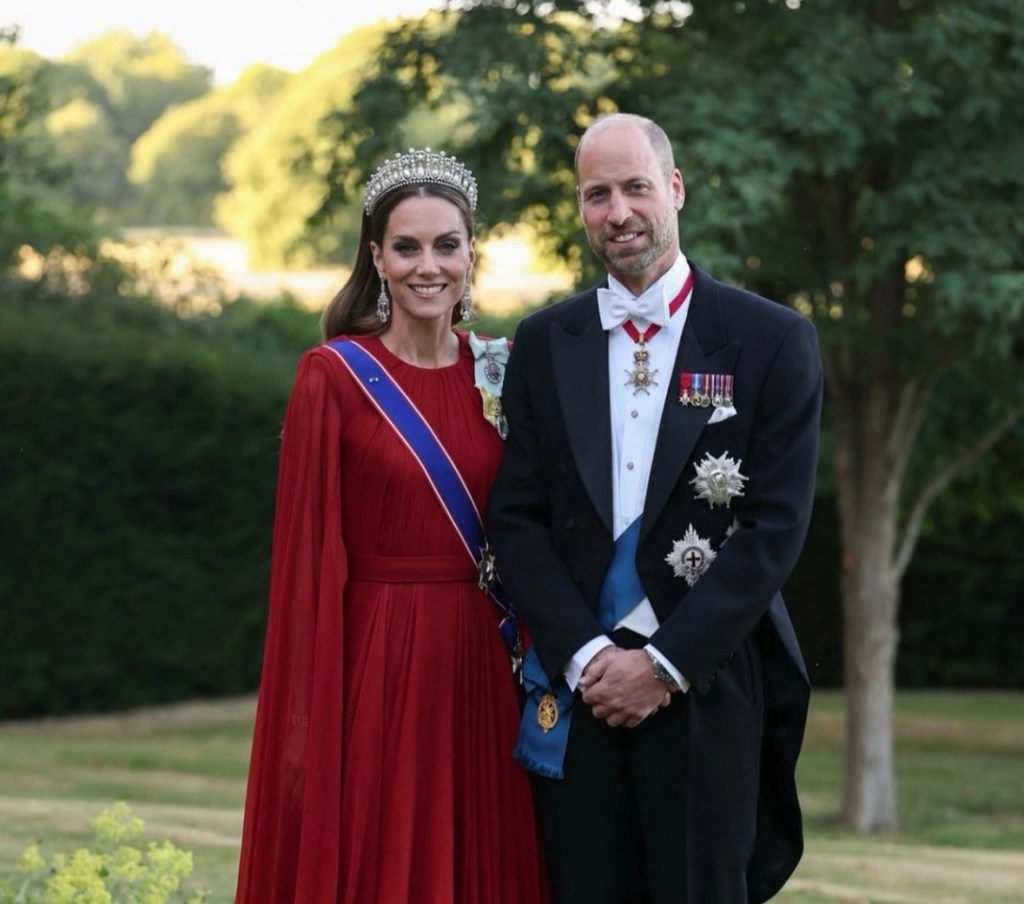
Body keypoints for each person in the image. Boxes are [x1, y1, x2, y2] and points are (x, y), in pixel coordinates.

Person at [488, 112, 822, 904]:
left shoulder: (771, 339)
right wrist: (585, 658)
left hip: (703, 681)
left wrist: (663, 665)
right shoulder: (543, 341)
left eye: (635, 187)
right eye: (596, 194)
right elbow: (517, 519)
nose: (618, 212)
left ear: (674, 188)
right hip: (579, 686)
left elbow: (775, 529)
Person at [234, 148, 547, 904]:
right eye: (406, 246)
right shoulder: (333, 377)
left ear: (473, 253)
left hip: (485, 656)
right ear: (376, 256)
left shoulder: (505, 367)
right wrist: (315, 708)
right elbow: (308, 565)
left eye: (447, 244)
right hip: (381, 657)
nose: (428, 266)